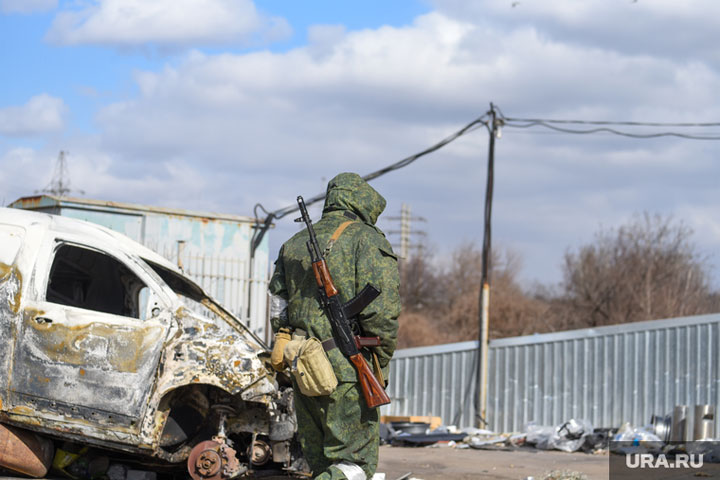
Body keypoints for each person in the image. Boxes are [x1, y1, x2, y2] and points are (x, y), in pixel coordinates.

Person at [268, 172, 401, 480]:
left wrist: (284, 336)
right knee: (352, 467)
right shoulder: (367, 239)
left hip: (304, 369)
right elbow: (383, 314)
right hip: (346, 373)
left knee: (321, 465)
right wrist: (379, 365)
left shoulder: (292, 244)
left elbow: (279, 303)